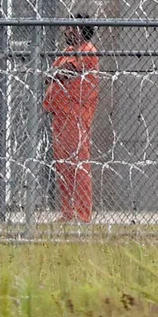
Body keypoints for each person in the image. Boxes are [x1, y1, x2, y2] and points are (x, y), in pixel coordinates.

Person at [43, 14, 99, 223]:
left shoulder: (88, 51)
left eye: (70, 27)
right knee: (63, 165)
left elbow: (68, 71)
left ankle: (82, 214)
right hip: (60, 113)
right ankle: (68, 212)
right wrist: (57, 72)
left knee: (78, 165)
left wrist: (57, 72)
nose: (66, 31)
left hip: (76, 114)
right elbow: (51, 75)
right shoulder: (67, 52)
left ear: (80, 30)